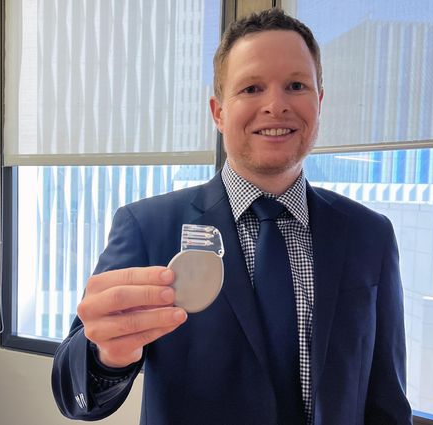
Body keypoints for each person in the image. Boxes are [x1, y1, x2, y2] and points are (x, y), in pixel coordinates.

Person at [51, 8, 412, 425]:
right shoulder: (149, 227)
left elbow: (387, 399)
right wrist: (105, 356)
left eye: (296, 85)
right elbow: (75, 396)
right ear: (218, 112)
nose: (275, 106)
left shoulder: (370, 235)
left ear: (319, 101)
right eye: (252, 88)